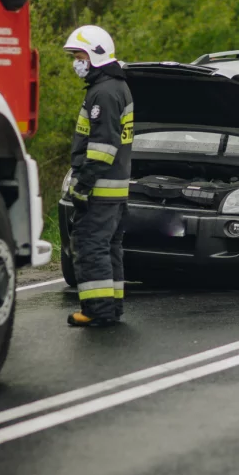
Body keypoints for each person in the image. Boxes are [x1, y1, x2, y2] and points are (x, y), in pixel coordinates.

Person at [63, 25, 134, 327]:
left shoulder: (103, 93)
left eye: (79, 55)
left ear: (95, 55)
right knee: (109, 248)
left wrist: (83, 184)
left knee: (91, 247)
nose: (76, 62)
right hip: (115, 191)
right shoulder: (115, 87)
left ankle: (98, 311)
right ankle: (112, 307)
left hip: (100, 189)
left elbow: (104, 146)